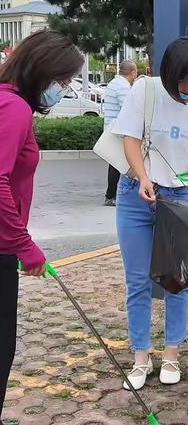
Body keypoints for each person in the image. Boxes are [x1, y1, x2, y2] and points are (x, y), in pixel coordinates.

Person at [112, 36, 188, 390]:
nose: (187, 88)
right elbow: (130, 140)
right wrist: (143, 177)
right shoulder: (146, 90)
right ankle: (140, 359)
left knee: (177, 280)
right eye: (180, 80)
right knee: (137, 281)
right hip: (137, 194)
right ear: (166, 73)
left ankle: (171, 355)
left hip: (179, 198)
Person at [0, 30, 84, 422]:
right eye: (62, 82)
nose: (63, 90)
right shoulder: (13, 107)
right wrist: (23, 245)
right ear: (42, 71)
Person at [103, 60, 138, 206]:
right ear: (132, 72)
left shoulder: (113, 84)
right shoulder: (123, 87)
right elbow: (128, 109)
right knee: (121, 164)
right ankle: (112, 196)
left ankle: (111, 195)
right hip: (119, 131)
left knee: (115, 164)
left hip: (111, 127)